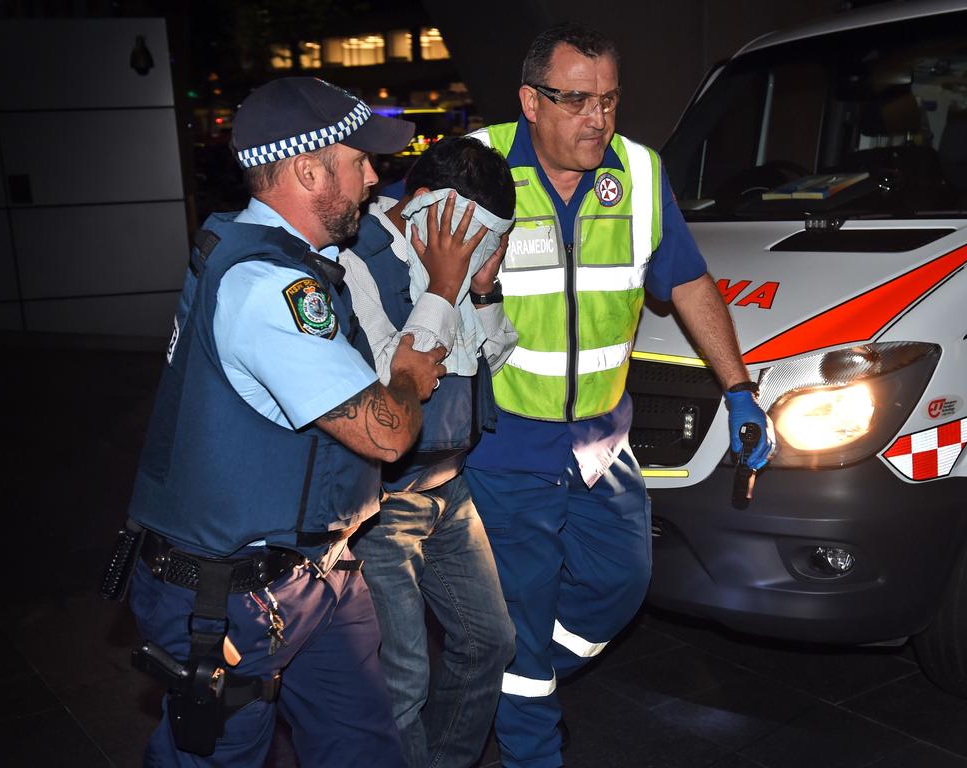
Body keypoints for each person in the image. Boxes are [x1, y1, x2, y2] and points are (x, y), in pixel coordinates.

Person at [462, 23, 777, 768]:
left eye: (608, 100)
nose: (596, 119)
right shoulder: (476, 168)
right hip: (505, 445)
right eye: (575, 100)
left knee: (620, 584)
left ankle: (512, 680)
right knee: (523, 608)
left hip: (602, 442)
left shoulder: (636, 173)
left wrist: (737, 388)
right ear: (529, 102)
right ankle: (530, 740)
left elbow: (689, 280)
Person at [109, 77, 446, 767]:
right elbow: (385, 431)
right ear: (308, 169)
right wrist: (411, 369)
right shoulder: (270, 288)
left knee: (362, 750)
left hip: (310, 577)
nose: (374, 178)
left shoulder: (274, 259)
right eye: (360, 162)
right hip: (225, 600)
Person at [340, 137, 518, 768]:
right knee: (402, 680)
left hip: (450, 487)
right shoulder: (357, 261)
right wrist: (443, 289)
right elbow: (390, 389)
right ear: (421, 206)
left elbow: (485, 364)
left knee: (489, 643)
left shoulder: (454, 256)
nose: (474, 254)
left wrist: (483, 289)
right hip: (383, 502)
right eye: (471, 237)